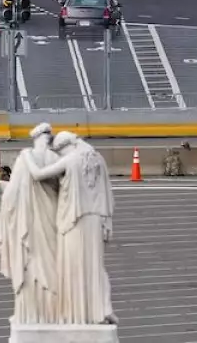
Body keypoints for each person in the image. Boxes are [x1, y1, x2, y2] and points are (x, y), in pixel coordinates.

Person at [21, 131, 116, 325]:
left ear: (66, 146)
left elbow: (38, 174)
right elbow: (107, 193)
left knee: (74, 266)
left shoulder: (71, 160)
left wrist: (26, 156)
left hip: (74, 221)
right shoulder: (98, 158)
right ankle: (103, 308)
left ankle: (77, 313)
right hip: (95, 219)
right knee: (96, 267)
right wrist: (107, 222)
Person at [0, 123, 61, 324]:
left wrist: (4, 189)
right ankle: (52, 310)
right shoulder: (56, 159)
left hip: (29, 218)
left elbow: (12, 192)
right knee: (50, 262)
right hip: (51, 215)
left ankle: (30, 311)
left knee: (29, 263)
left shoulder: (25, 158)